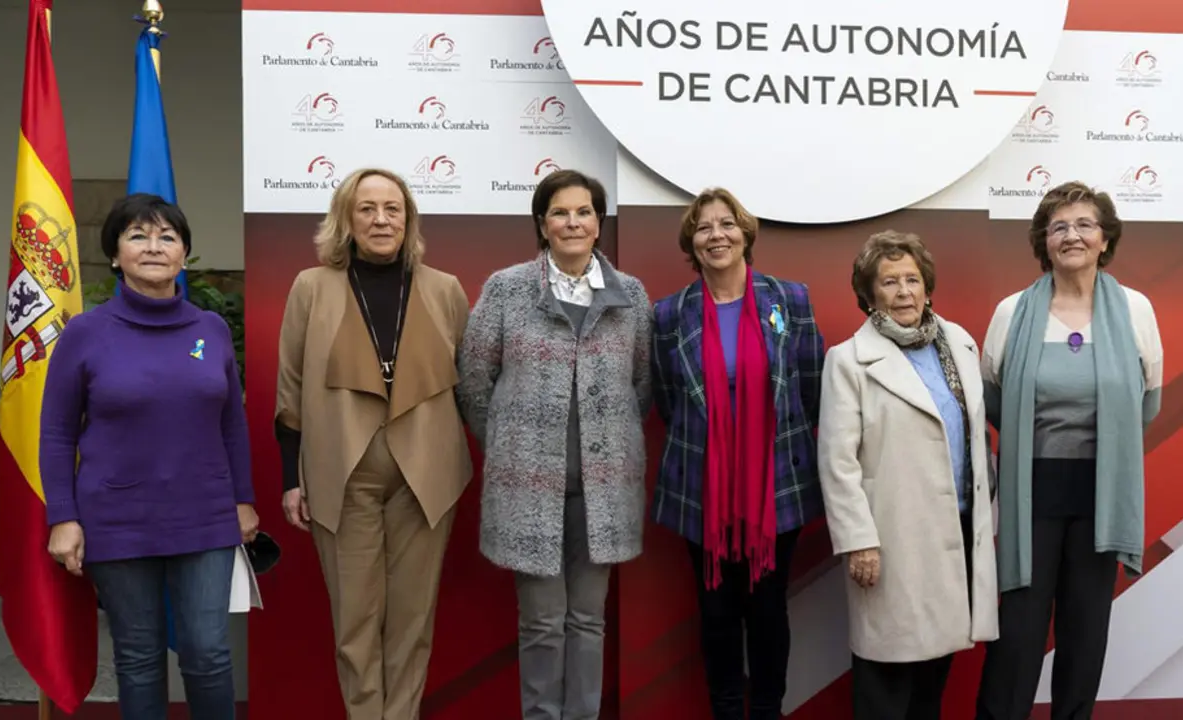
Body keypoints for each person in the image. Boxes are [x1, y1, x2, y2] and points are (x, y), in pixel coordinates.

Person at [42, 193, 256, 720]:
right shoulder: (85, 333)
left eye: (167, 236)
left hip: (204, 515)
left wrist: (243, 501)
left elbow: (232, 424)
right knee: (138, 658)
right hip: (117, 517)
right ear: (115, 254)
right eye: (138, 236)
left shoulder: (210, 330)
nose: (154, 247)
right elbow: (56, 432)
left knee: (208, 653)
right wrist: (63, 517)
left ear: (184, 252)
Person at [275, 167, 473, 719]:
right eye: (367, 208)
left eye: (393, 208)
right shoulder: (310, 288)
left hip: (426, 479)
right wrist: (293, 477)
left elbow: (470, 386)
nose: (381, 219)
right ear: (346, 219)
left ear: (408, 219)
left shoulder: (445, 289)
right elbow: (289, 388)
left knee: (413, 620)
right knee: (355, 623)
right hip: (342, 474)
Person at [456, 169, 652, 720]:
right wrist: (510, 443)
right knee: (542, 623)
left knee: (589, 621)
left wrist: (603, 439)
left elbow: (641, 383)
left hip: (604, 491)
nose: (573, 222)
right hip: (527, 489)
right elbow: (474, 380)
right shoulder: (506, 288)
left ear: (598, 223)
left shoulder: (630, 295)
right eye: (560, 212)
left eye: (584, 212)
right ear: (542, 224)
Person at [974, 181, 1163, 720]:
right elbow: (994, 399)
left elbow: (1147, 400)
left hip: (1102, 494)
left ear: (1106, 239)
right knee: (1018, 639)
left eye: (1084, 225)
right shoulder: (1012, 312)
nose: (1072, 235)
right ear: (1043, 241)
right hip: (1031, 493)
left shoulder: (1134, 309)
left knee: (1085, 638)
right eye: (1058, 226)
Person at [649, 187, 826, 720]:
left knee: (769, 611)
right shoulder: (668, 315)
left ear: (745, 234)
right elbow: (666, 398)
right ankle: (727, 709)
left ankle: (768, 709)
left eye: (726, 224)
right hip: (700, 490)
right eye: (703, 228)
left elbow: (812, 387)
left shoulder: (789, 300)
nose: (716, 235)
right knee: (716, 612)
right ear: (692, 243)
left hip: (777, 487)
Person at [816, 231, 999, 719]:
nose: (903, 292)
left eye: (912, 279)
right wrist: (859, 541)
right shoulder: (848, 360)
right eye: (889, 281)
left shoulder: (958, 343)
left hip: (955, 532)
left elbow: (973, 436)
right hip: (890, 540)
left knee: (932, 678)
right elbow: (837, 461)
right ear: (869, 294)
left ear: (927, 286)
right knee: (886, 678)